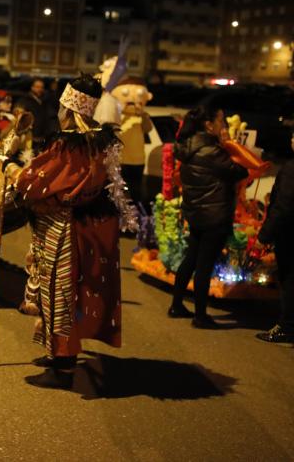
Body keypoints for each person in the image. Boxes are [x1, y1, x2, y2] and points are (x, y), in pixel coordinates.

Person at [5, 74, 131, 389]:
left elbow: (35, 182)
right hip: (82, 229)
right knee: (66, 295)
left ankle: (62, 366)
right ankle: (59, 356)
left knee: (59, 296)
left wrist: (9, 166)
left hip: (64, 231)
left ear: (69, 108)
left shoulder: (70, 145)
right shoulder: (99, 143)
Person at [168, 103, 248, 328]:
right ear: (208, 124)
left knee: (191, 259)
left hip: (195, 213)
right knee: (204, 265)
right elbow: (240, 171)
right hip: (214, 215)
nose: (223, 124)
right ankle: (200, 316)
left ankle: (176, 305)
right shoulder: (212, 151)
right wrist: (230, 146)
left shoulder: (189, 146)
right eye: (221, 120)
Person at [255, 130, 294, 343]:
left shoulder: (291, 169)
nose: (291, 140)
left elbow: (283, 207)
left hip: (290, 236)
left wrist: (265, 236)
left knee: (289, 280)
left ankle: (287, 327)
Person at [114, 77, 154, 206]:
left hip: (138, 161)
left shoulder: (143, 116)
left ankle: (136, 218)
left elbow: (148, 129)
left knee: (135, 193)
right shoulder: (117, 115)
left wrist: (142, 114)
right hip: (121, 160)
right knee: (119, 193)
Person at [18, 78, 56, 153]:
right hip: (30, 138)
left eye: (41, 87)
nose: (40, 89)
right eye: (37, 87)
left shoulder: (45, 101)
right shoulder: (25, 100)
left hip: (43, 138)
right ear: (32, 87)